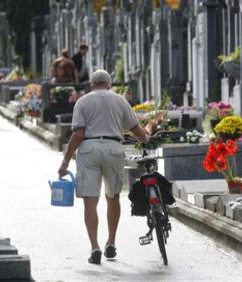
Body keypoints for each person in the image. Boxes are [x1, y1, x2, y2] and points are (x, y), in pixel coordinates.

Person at [57, 69, 149, 265]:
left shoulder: (83, 102)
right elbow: (135, 128)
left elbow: (78, 134)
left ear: (91, 84)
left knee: (90, 201)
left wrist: (65, 161)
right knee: (113, 197)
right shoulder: (119, 100)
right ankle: (111, 243)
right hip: (114, 148)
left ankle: (95, 247)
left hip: (89, 149)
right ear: (109, 85)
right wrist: (145, 138)